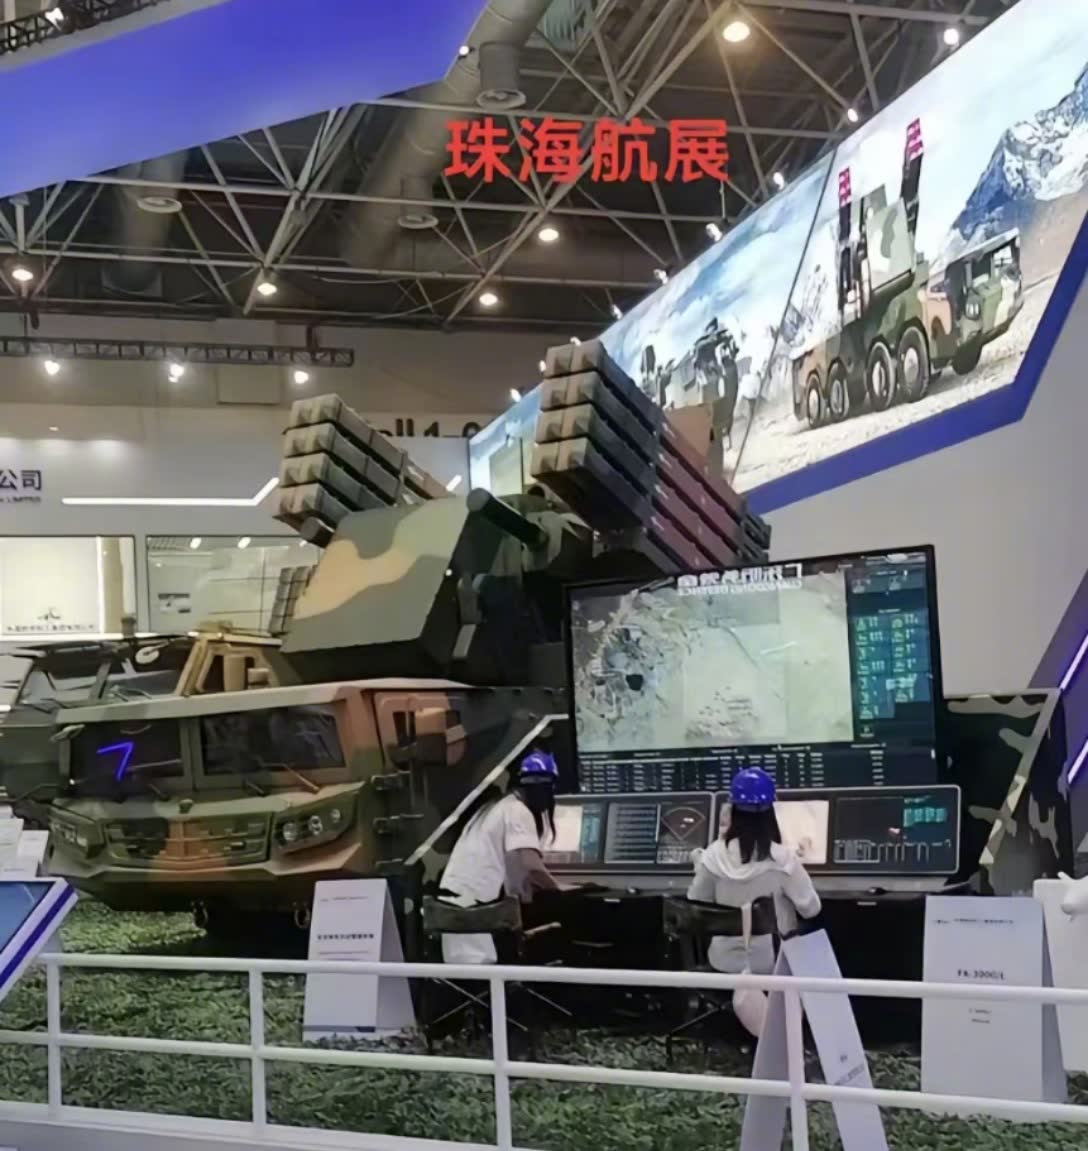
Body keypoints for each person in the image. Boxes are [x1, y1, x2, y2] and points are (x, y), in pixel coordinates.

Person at [687, 767, 821, 975]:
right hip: (772, 966)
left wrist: (700, 865)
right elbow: (811, 909)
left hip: (723, 963)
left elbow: (696, 901)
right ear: (770, 813)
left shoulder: (712, 856)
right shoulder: (782, 860)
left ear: (733, 811)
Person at [437, 749, 562, 964]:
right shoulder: (517, 810)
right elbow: (529, 869)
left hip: (452, 917)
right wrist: (562, 892)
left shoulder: (492, 808)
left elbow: (515, 880)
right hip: (479, 921)